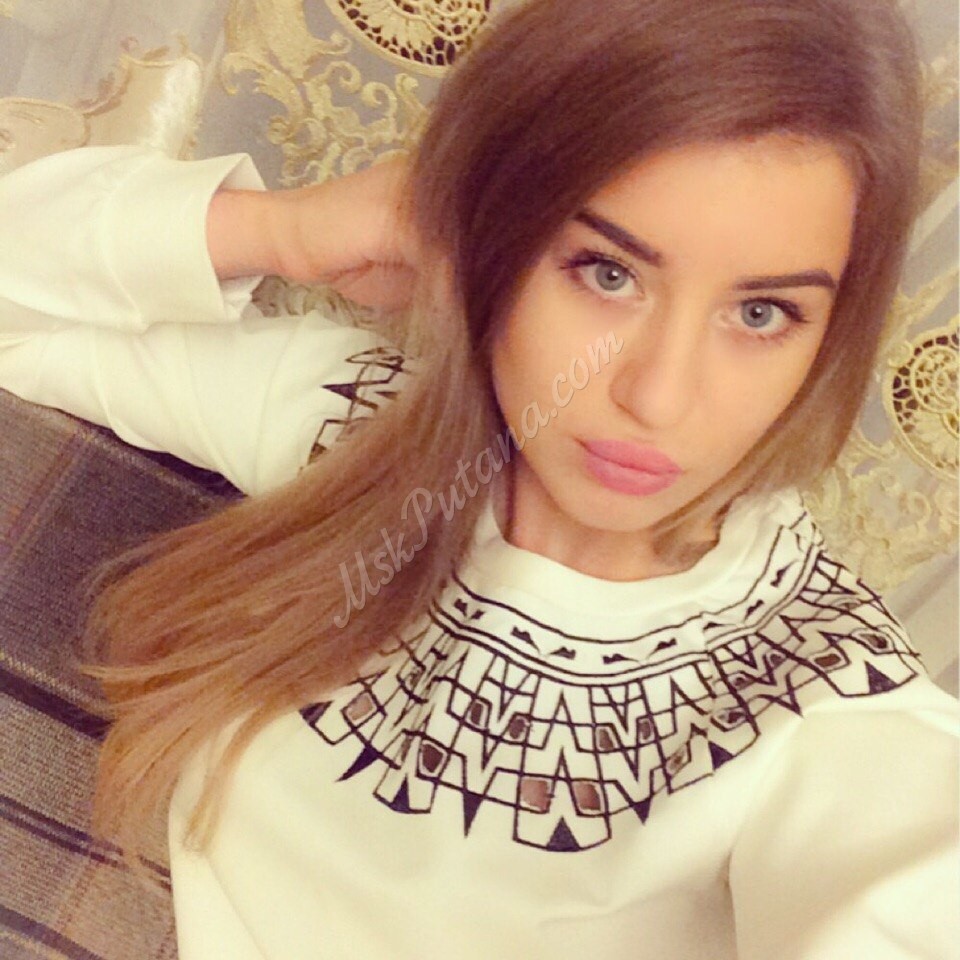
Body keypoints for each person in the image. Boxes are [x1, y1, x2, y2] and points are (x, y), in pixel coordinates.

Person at [0, 0, 957, 957]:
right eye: (608, 273)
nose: (660, 397)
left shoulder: (824, 703)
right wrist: (288, 231)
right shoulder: (359, 431)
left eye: (760, 314)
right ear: (491, 239)